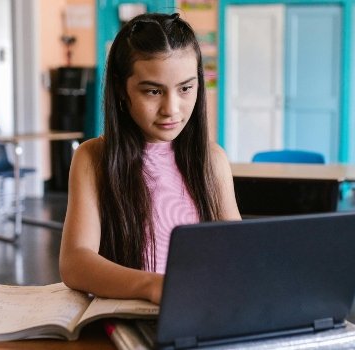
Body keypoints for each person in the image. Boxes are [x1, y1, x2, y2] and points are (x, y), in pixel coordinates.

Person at [59, 13, 242, 305]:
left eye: (185, 88)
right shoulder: (93, 158)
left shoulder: (212, 159)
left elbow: (239, 251)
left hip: (200, 311)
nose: (171, 108)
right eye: (153, 91)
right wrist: (153, 286)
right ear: (122, 89)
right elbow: (75, 263)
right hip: (130, 316)